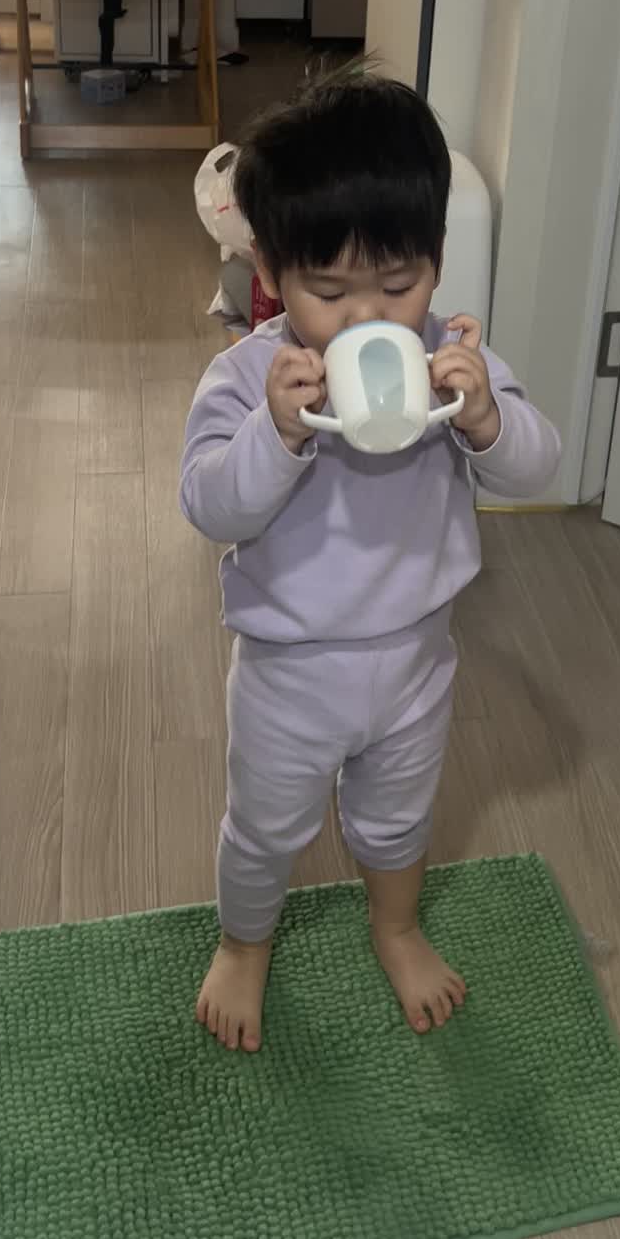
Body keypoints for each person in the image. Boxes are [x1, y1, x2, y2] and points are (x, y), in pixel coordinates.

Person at [180, 72, 562, 1051]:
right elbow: (210, 503)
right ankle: (243, 944)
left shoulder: (450, 361)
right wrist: (279, 432)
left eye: (398, 286)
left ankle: (396, 928)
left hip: (417, 657)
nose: (367, 320)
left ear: (437, 258)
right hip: (288, 669)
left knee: (398, 818)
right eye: (330, 292)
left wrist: (486, 417)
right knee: (266, 826)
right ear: (272, 269)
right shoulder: (247, 378)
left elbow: (538, 468)